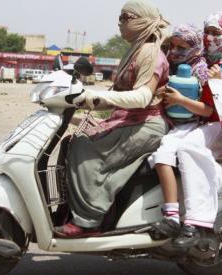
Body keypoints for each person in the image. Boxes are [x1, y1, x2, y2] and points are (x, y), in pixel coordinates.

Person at [56, 0, 170, 237]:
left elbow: (142, 96)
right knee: (71, 141)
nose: (119, 23)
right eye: (120, 17)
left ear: (142, 21)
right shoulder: (136, 49)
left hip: (145, 124)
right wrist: (86, 100)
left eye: (125, 18)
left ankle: (89, 220)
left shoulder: (150, 52)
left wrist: (95, 97)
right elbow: (119, 94)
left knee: (82, 147)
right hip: (129, 120)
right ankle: (71, 209)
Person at [151, 12, 222, 248]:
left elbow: (220, 109)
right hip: (208, 123)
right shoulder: (210, 62)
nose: (210, 38)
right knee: (165, 152)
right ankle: (172, 214)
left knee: (190, 148)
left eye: (216, 33)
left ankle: (197, 222)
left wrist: (219, 82)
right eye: (207, 32)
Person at [148, 24, 209, 237]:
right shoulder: (170, 63)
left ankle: (171, 216)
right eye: (171, 45)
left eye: (181, 47)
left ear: (194, 47)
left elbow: (209, 109)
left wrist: (180, 100)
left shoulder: (200, 70)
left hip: (189, 125)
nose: (174, 51)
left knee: (162, 156)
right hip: (169, 122)